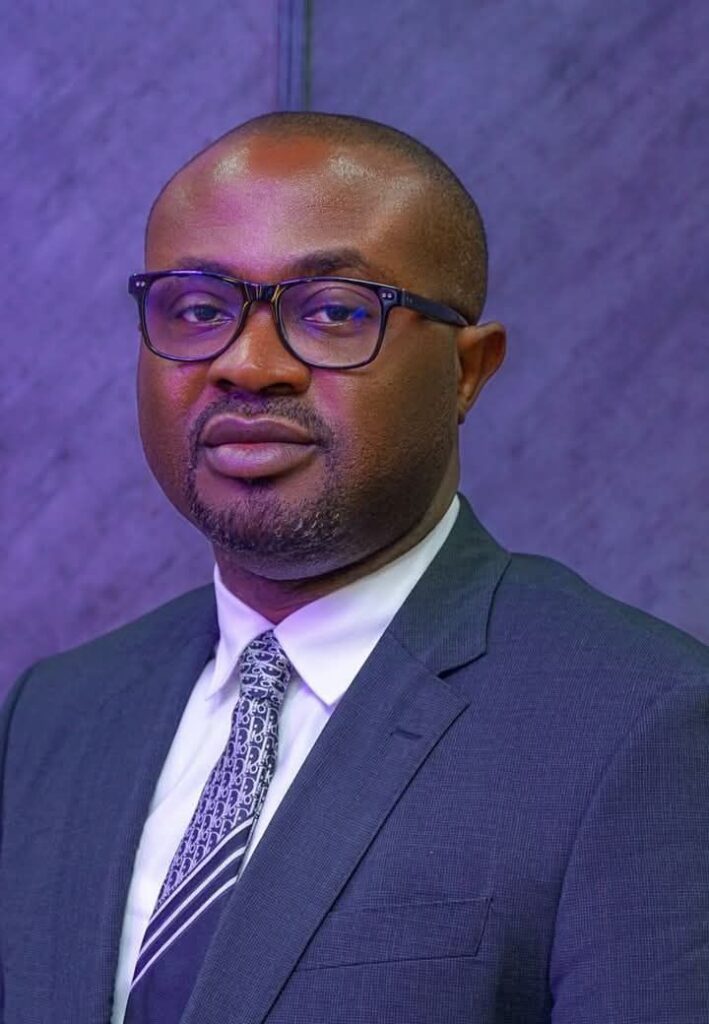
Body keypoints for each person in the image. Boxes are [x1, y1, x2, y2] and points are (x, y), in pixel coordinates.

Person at [1, 111, 707, 1024]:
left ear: (468, 371)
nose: (247, 365)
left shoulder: (641, 725)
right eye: (200, 310)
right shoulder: (54, 714)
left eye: (333, 312)